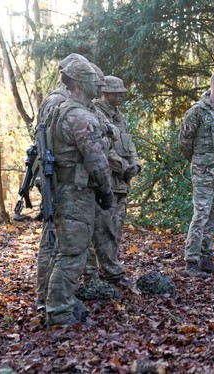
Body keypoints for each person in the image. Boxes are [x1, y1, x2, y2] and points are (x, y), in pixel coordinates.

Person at [44, 60, 113, 326]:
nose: (98, 84)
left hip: (65, 190)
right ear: (81, 83)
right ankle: (60, 313)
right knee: (73, 254)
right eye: (93, 80)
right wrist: (106, 192)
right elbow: (97, 162)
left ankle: (60, 305)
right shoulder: (80, 117)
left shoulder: (62, 110)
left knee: (66, 251)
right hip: (76, 193)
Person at [35, 53, 90, 311]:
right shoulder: (63, 104)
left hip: (55, 178)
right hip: (62, 181)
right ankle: (53, 305)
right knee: (61, 246)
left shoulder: (56, 101)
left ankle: (48, 300)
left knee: (55, 243)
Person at [179, 72, 214, 278]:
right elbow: (185, 143)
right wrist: (200, 162)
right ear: (213, 84)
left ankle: (205, 257)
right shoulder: (197, 112)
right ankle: (191, 261)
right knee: (201, 215)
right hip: (204, 172)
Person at [88, 75, 140, 286]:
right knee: (103, 229)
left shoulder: (119, 116)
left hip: (121, 184)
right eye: (116, 91)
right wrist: (125, 167)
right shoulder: (95, 114)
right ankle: (102, 273)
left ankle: (108, 269)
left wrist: (135, 164)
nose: (121, 95)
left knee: (116, 228)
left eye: (122, 92)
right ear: (104, 92)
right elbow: (101, 151)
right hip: (106, 182)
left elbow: (129, 144)